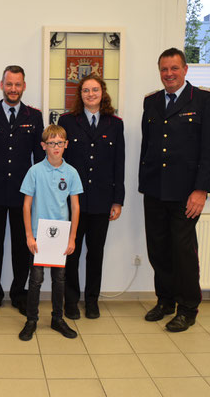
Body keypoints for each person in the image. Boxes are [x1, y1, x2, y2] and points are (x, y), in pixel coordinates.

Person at [139, 47, 210, 332]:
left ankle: (188, 307)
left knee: (183, 250)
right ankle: (166, 301)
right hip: (155, 189)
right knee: (158, 249)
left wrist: (202, 190)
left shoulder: (204, 99)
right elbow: (148, 145)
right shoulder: (151, 102)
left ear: (185, 69)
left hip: (186, 193)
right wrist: (143, 183)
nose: (169, 74)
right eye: (164, 69)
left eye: (174, 68)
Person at [0, 65, 44, 317]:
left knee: (21, 246)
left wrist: (38, 193)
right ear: (1, 85)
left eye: (18, 84)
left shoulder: (34, 117)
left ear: (24, 86)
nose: (13, 89)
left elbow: (40, 159)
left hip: (22, 194)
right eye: (9, 84)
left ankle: (18, 294)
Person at [59, 74, 125, 320]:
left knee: (95, 253)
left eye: (94, 90)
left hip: (101, 200)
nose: (90, 94)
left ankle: (92, 300)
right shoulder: (67, 121)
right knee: (72, 253)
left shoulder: (115, 124)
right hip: (72, 201)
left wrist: (117, 200)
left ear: (102, 92)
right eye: (85, 90)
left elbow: (120, 164)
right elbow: (59, 162)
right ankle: (71, 301)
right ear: (80, 95)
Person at [18, 124, 83, 341]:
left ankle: (58, 319)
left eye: (60, 143)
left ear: (66, 145)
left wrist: (72, 237)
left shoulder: (71, 172)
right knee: (35, 279)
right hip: (39, 234)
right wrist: (29, 235)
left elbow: (75, 207)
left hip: (61, 235)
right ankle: (31, 320)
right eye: (51, 143)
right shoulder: (34, 171)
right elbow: (26, 206)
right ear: (43, 145)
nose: (56, 147)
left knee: (60, 279)